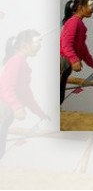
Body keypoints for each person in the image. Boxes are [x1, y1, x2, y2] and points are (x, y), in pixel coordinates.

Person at [1, 30, 50, 159]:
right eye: (36, 42)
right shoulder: (16, 61)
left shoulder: (23, 64)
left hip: (7, 110)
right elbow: (6, 87)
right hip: (4, 107)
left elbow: (26, 94)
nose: (39, 46)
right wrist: (16, 107)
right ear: (25, 44)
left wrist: (39, 112)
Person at [60, 0, 93, 103]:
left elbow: (82, 49)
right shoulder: (73, 22)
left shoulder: (80, 25)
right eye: (91, 5)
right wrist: (74, 60)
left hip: (67, 63)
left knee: (59, 95)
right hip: (62, 61)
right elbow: (66, 44)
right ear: (80, 7)